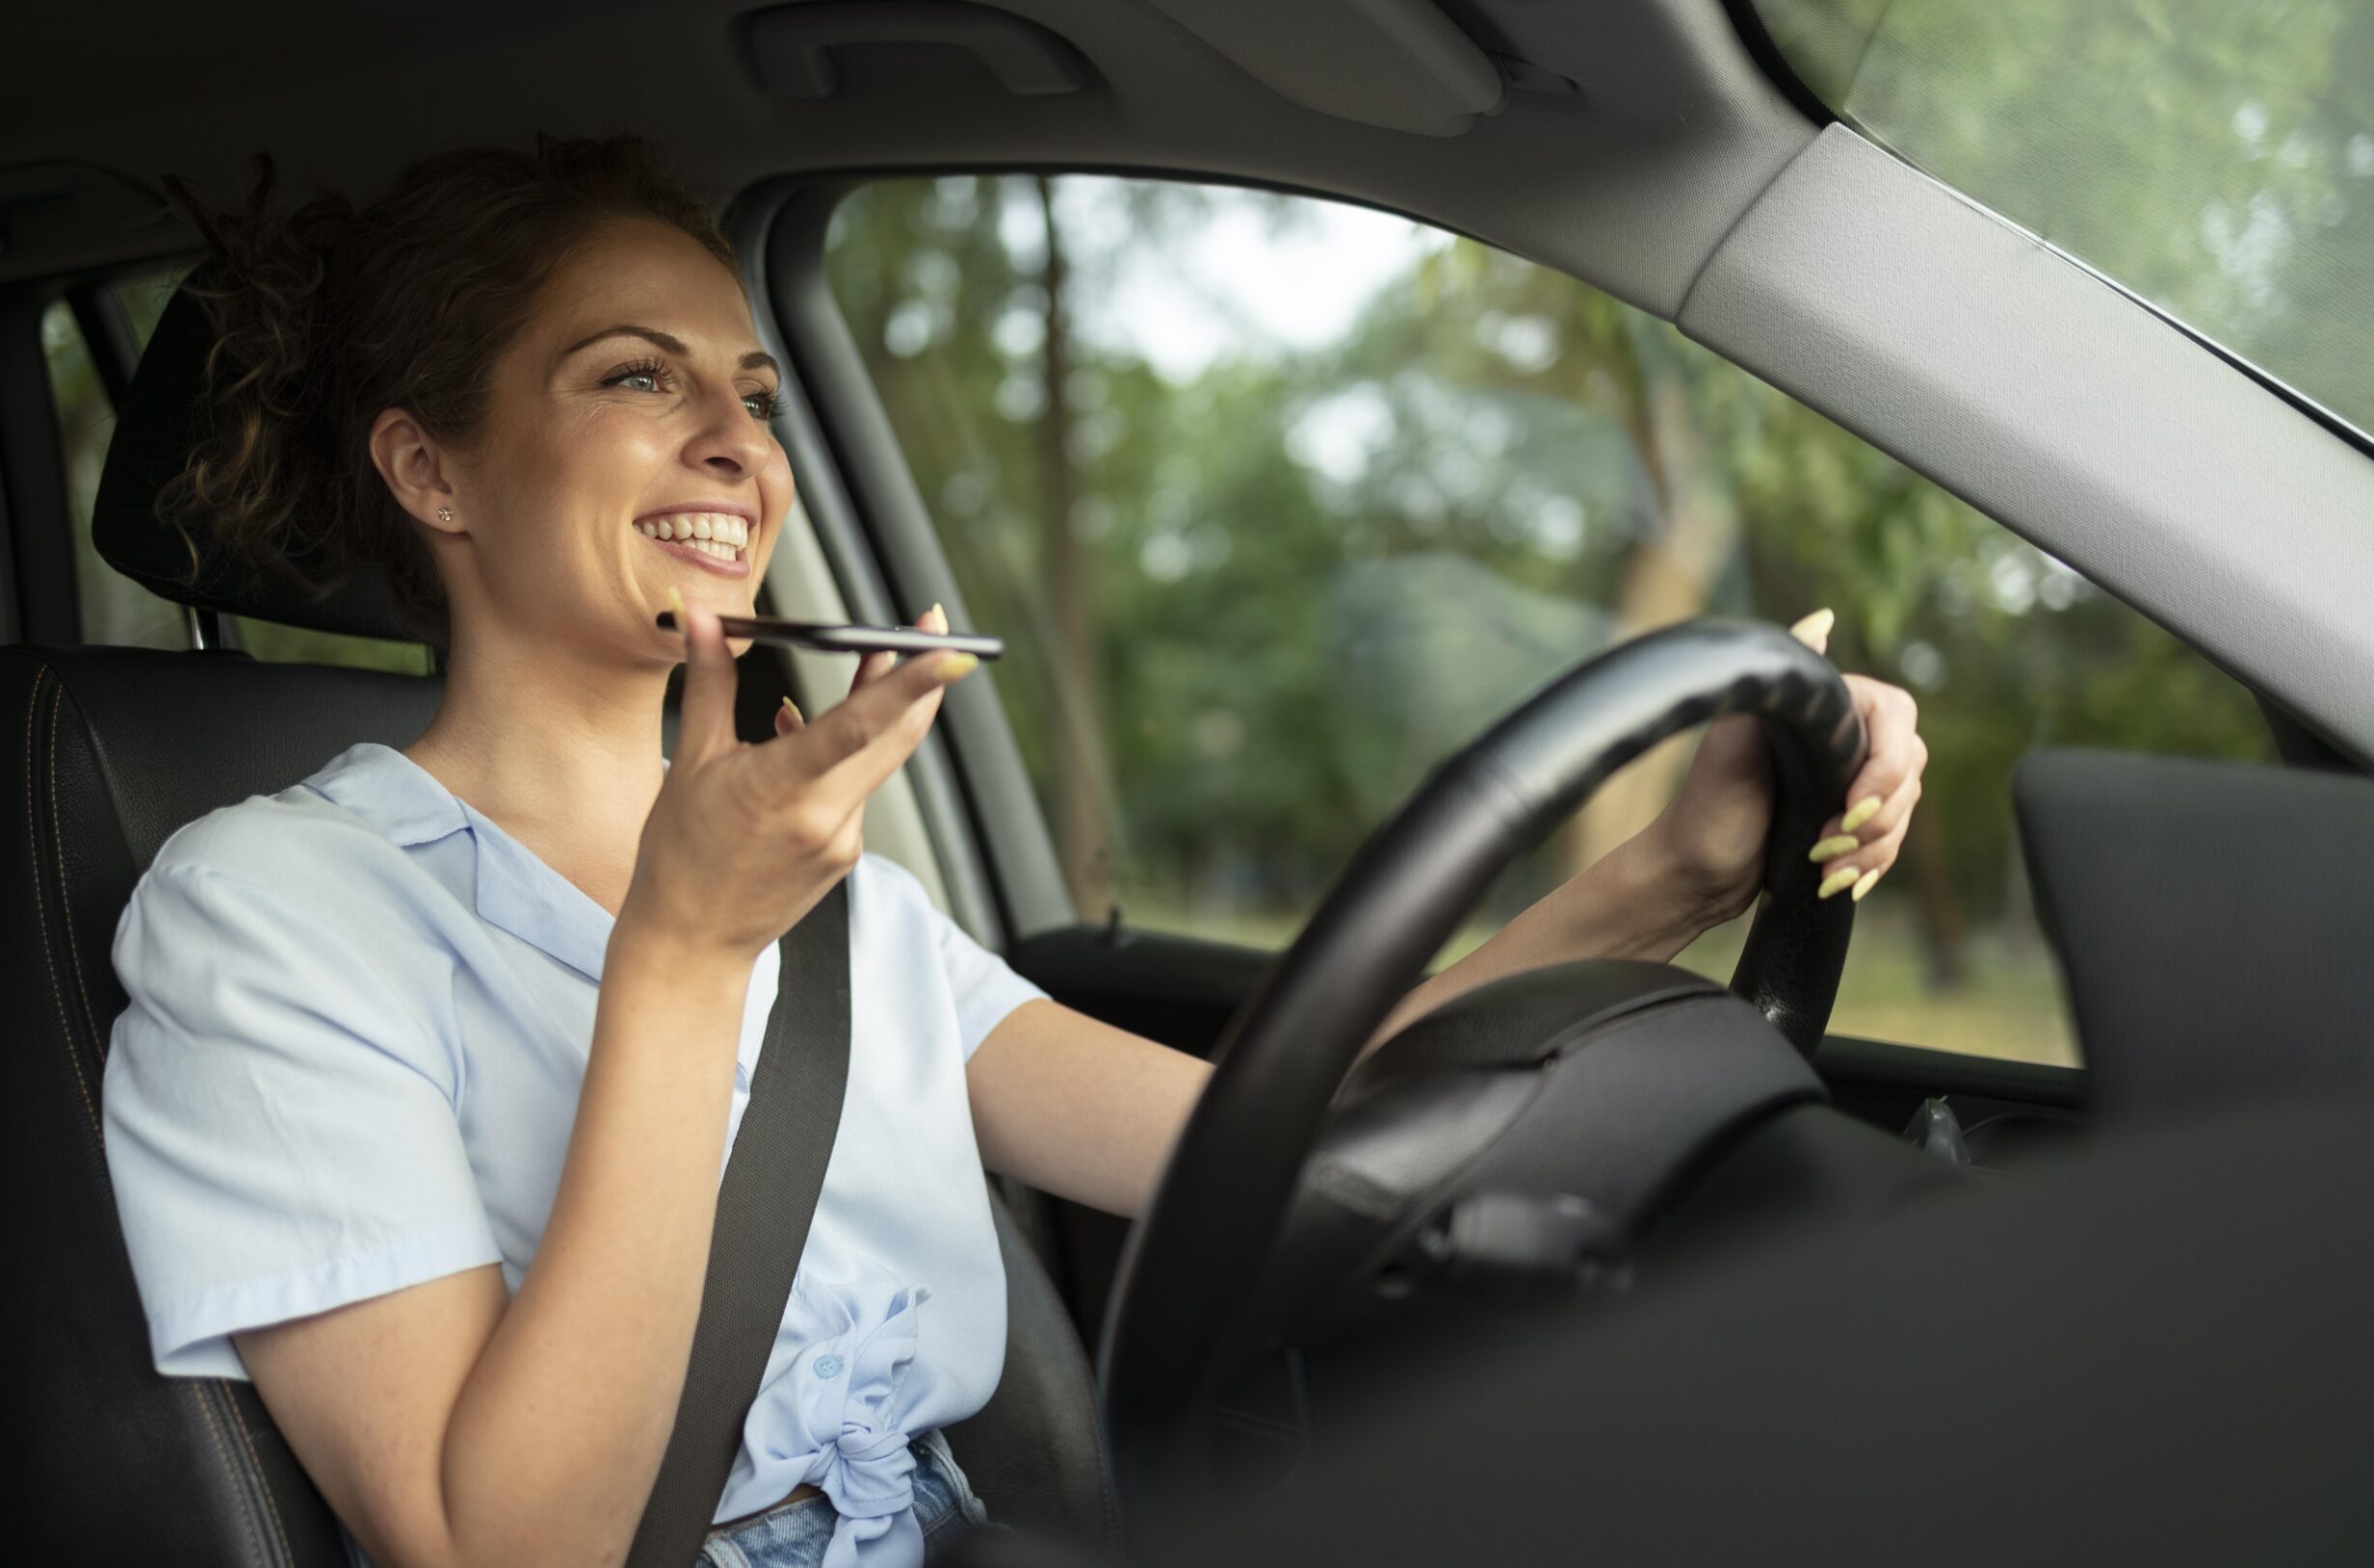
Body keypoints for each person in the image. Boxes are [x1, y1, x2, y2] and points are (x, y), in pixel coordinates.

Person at [98, 135, 1928, 1568]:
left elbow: (1272, 1140)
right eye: (636, 380)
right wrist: (679, 954)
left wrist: (1671, 875)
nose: (739, 441)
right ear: (432, 473)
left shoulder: (843, 906)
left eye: (754, 390)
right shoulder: (265, 915)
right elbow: (508, 1552)